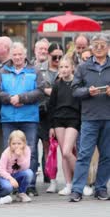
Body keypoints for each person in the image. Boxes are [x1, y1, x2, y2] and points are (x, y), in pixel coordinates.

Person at [0, 42, 45, 197]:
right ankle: (10, 184)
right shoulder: (3, 70)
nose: (17, 57)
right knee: (8, 151)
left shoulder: (34, 70)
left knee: (31, 151)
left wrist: (22, 98)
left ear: (25, 54)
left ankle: (29, 185)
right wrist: (10, 98)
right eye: (14, 54)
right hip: (8, 117)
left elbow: (41, 91)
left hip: (29, 116)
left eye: (20, 54)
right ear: (11, 55)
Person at [69, 34, 110, 202]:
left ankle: (101, 188)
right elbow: (74, 90)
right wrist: (88, 91)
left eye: (102, 45)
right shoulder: (83, 67)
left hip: (108, 117)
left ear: (108, 47)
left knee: (107, 155)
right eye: (96, 45)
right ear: (91, 48)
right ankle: (77, 190)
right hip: (89, 118)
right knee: (84, 154)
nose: (99, 48)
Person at [48, 57, 80, 196]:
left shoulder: (78, 83)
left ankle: (81, 181)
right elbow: (51, 106)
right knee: (64, 154)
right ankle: (68, 184)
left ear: (72, 68)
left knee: (68, 152)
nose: (64, 69)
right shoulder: (56, 85)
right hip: (58, 120)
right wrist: (51, 126)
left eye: (66, 67)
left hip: (73, 119)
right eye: (61, 67)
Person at [37, 42, 64, 194]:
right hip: (44, 112)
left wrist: (51, 91)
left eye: (60, 57)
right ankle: (50, 177)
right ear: (49, 55)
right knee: (48, 146)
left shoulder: (65, 69)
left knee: (65, 148)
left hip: (61, 112)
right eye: (55, 57)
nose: (58, 60)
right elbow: (39, 88)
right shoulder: (40, 69)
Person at [0, 130, 34, 203]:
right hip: (6, 177)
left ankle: (21, 193)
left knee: (29, 173)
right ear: (9, 143)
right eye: (13, 143)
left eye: (19, 143)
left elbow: (26, 167)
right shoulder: (6, 153)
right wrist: (10, 179)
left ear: (24, 143)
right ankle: (0, 195)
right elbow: (1, 170)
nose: (16, 146)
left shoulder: (27, 150)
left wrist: (20, 156)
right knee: (8, 187)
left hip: (17, 174)